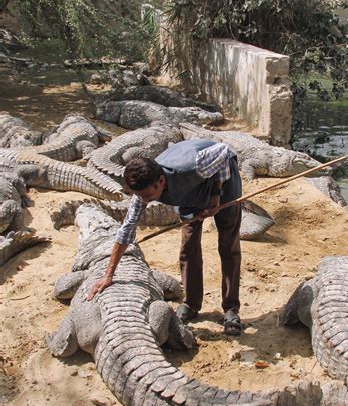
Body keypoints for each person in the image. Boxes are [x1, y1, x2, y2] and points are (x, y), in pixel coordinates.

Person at [87, 139, 243, 335]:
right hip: (189, 196)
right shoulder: (143, 190)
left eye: (146, 195)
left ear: (160, 181)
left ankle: (231, 309)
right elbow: (126, 230)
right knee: (188, 249)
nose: (144, 200)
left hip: (224, 183)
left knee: (228, 245)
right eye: (140, 196)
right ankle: (191, 304)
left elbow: (223, 151)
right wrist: (108, 275)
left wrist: (215, 194)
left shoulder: (193, 165)